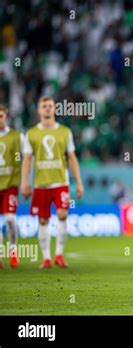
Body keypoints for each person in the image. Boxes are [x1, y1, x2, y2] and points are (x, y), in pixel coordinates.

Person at [21, 96, 84, 269]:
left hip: (60, 182)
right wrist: (24, 182)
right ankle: (46, 258)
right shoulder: (32, 133)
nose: (47, 108)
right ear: (39, 110)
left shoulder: (65, 132)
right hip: (40, 183)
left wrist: (78, 182)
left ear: (55, 109)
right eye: (44, 106)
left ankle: (59, 255)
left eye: (50, 106)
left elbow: (71, 157)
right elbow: (27, 159)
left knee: (63, 214)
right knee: (42, 220)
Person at [0, 105, 22, 269]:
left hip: (10, 185)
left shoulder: (15, 137)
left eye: (1, 115)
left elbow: (22, 157)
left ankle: (13, 251)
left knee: (10, 219)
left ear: (6, 116)